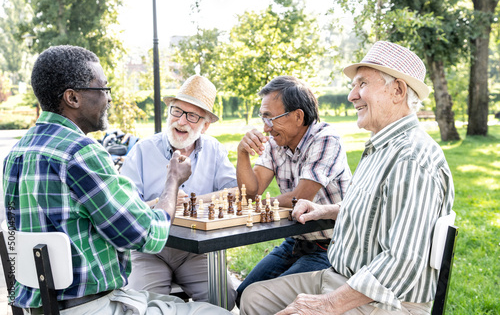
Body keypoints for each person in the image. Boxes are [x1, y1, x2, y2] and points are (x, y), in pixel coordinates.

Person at [2, 45, 231, 315]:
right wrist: (172, 182)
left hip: (42, 308)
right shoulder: (81, 153)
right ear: (73, 98)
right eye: (102, 89)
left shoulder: (16, 153)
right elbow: (146, 234)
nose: (108, 100)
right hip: (95, 307)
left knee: (182, 303)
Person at [239, 41, 455, 315]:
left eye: (362, 84)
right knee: (252, 297)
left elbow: (404, 261)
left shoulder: (412, 157)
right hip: (343, 277)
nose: (352, 96)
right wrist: (325, 210)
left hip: (387, 301)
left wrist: (328, 304)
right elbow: (375, 212)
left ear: (398, 91)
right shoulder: (380, 146)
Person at [121, 75, 238, 309]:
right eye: (177, 111)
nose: (181, 121)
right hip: (150, 250)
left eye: (192, 115)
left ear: (205, 125)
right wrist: (163, 201)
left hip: (196, 251)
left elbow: (234, 193)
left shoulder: (214, 150)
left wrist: (194, 201)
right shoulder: (143, 150)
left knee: (225, 299)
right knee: (142, 307)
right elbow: (125, 208)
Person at [235, 75, 352, 305]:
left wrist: (255, 206)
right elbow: (250, 194)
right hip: (296, 241)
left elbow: (300, 197)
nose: (265, 127)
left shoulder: (326, 140)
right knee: (243, 294)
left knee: (273, 304)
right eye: (263, 118)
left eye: (270, 118)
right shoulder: (276, 141)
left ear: (298, 116)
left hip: (333, 247)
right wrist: (242, 154)